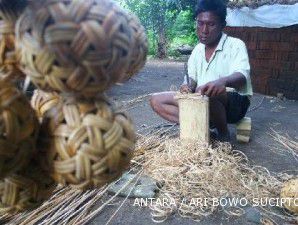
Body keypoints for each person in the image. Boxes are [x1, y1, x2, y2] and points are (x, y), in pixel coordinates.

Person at [150, 0, 253, 142]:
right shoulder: (198, 50)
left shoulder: (235, 45)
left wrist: (221, 82)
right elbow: (192, 78)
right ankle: (203, 128)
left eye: (211, 24)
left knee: (208, 92)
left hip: (234, 105)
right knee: (156, 100)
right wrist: (188, 86)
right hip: (202, 100)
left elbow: (242, 76)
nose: (204, 30)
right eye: (200, 23)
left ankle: (223, 135)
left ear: (222, 25)